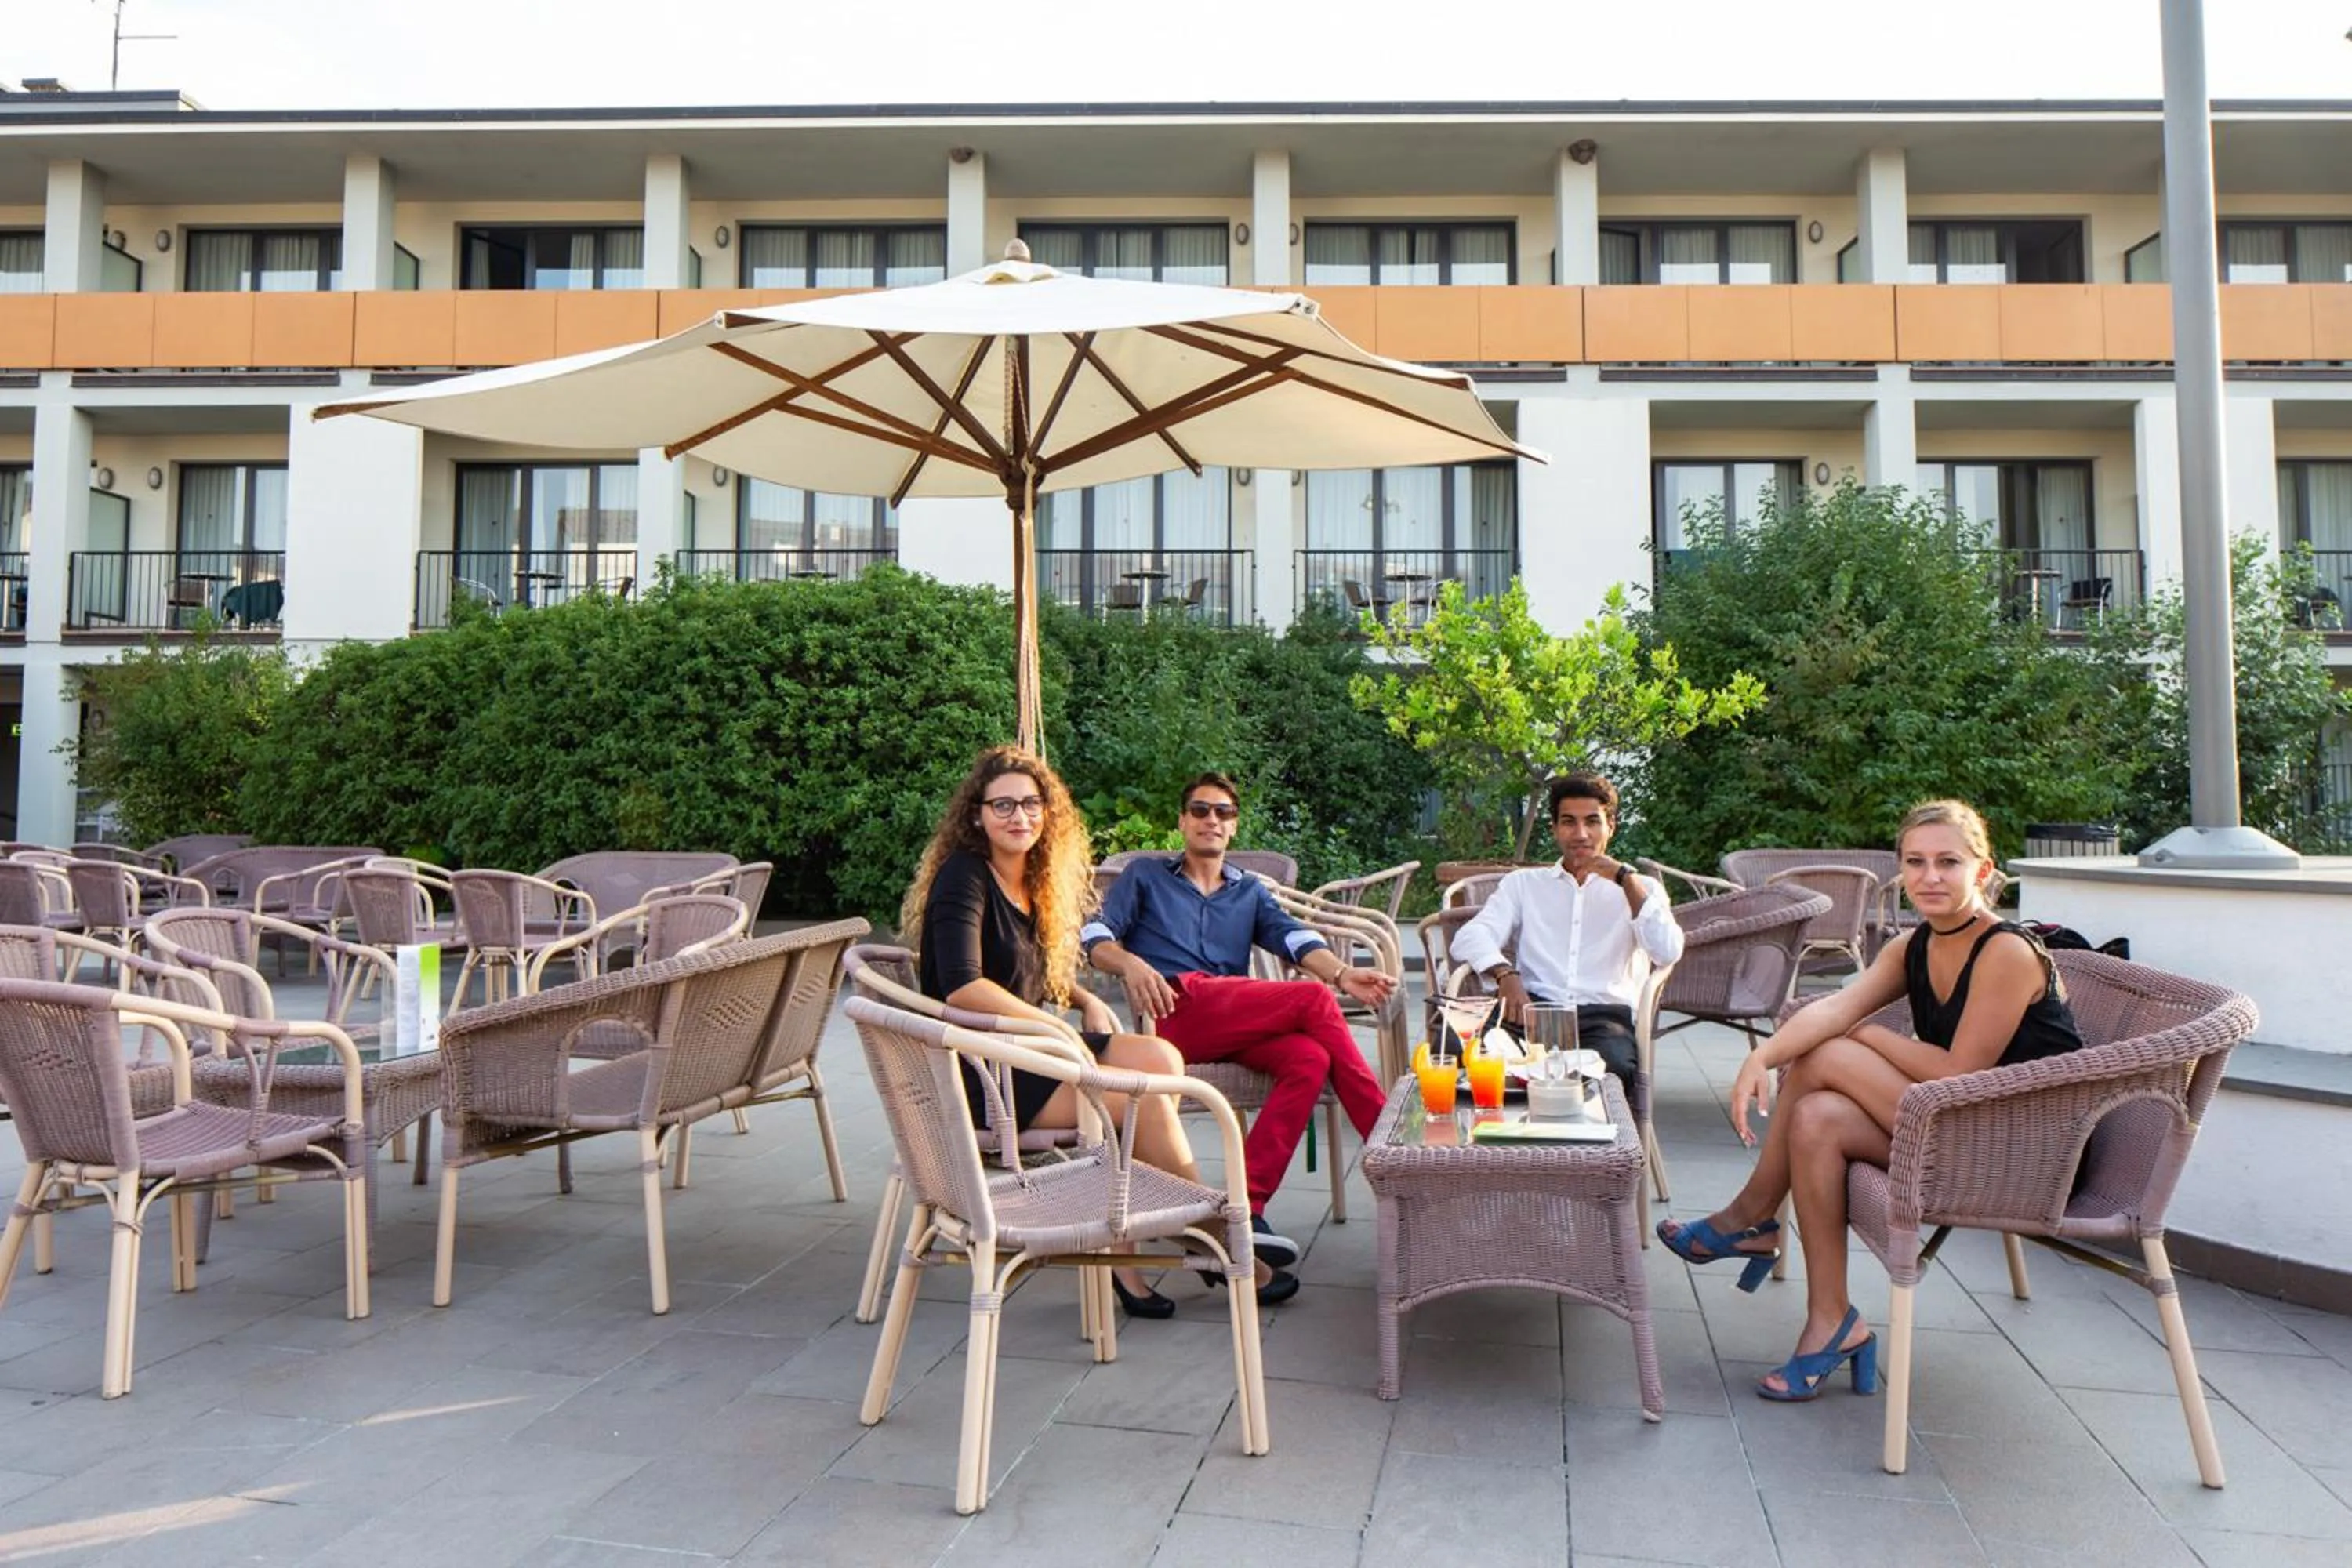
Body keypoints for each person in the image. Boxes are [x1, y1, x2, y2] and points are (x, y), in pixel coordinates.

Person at [1657, 799, 2082, 1403]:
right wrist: (1761, 1058)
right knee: (1816, 1118)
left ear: (1983, 872)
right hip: (1959, 1124)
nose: (1930, 876)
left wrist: (1873, 1037)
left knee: (1829, 1056)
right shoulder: (1914, 946)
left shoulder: (2005, 952)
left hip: (2023, 1151)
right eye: (1915, 862)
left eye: (1948, 862)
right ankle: (1832, 1321)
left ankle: (1750, 1216)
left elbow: (1960, 1071)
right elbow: (1837, 1007)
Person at [905, 746, 1282, 1320]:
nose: (1019, 816)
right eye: (1002, 805)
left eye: (1031, 804)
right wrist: (1054, 1029)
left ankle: (1142, 1226)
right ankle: (1212, 1236)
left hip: (1028, 1047)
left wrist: (1083, 1000)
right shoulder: (965, 874)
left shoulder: (1030, 878)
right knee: (1142, 1103)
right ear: (976, 815)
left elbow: (1029, 976)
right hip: (983, 1067)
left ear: (1047, 811)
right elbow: (963, 987)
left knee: (1160, 1056)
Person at [1082, 771, 1397, 1303]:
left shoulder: (1249, 891)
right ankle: (1389, 1146)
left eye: (1223, 812)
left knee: (1309, 1058)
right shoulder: (1145, 877)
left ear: (1234, 825)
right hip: (1175, 1013)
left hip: (1230, 1016)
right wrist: (1130, 963)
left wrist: (1341, 971)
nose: (1212, 820)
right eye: (1201, 810)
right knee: (1314, 999)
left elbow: (1295, 938)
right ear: (1183, 821)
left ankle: (1244, 1207)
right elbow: (1095, 934)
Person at [1448, 771, 1685, 1091]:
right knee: (1454, 1047)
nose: (1581, 834)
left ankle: (1585, 1124)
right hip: (1529, 1012)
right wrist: (1505, 974)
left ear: (1611, 826)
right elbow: (1470, 936)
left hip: (1603, 1020)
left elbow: (1667, 951)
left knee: (1612, 1073)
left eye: (1592, 821)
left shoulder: (1642, 888)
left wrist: (1625, 880)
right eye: (1569, 822)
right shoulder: (1525, 884)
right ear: (1555, 829)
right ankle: (1487, 1122)